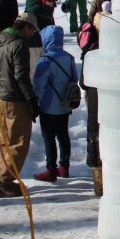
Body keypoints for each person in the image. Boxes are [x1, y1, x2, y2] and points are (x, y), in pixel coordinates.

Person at [0, 13, 39, 198]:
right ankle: (5, 181)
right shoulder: (20, 43)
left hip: (1, 96)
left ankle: (2, 177)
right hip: (15, 98)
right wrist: (31, 100)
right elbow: (21, 76)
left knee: (6, 140)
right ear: (26, 27)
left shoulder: (0, 38)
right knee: (19, 142)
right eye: (32, 30)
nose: (32, 34)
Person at [31, 25, 76, 182]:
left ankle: (51, 169)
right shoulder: (69, 57)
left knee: (49, 138)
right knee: (63, 135)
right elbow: (74, 79)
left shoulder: (45, 60)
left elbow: (38, 85)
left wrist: (34, 101)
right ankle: (64, 166)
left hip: (48, 106)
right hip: (65, 104)